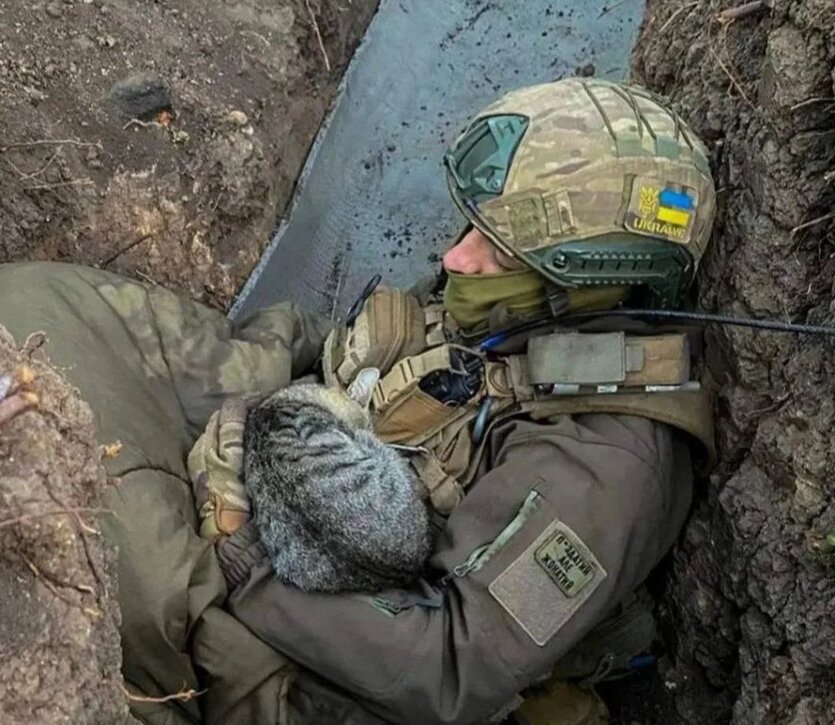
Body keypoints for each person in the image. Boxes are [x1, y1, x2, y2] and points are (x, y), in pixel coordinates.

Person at [0, 77, 715, 725]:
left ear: (588, 279)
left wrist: (244, 552)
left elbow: (445, 668)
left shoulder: (609, 467)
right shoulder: (520, 310)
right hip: (302, 458)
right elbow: (382, 351)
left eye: (494, 250)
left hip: (325, 651)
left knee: (107, 543)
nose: (456, 259)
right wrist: (266, 377)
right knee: (39, 307)